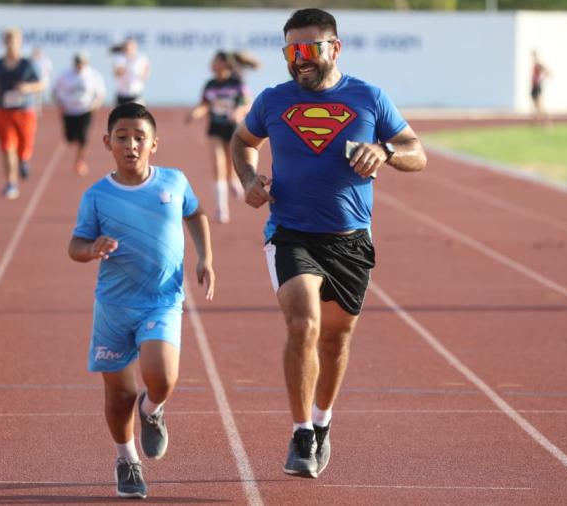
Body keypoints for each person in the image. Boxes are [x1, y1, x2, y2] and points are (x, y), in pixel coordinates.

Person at [230, 8, 426, 479]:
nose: (299, 60)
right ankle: (300, 434)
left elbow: (418, 153)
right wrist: (248, 179)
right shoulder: (273, 100)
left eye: (308, 49)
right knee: (305, 325)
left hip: (351, 240)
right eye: (290, 51)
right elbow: (242, 142)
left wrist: (386, 151)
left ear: (333, 48)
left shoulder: (369, 98)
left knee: (336, 340)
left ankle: (321, 423)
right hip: (290, 232)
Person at [68, 102, 215, 499]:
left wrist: (205, 257)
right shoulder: (96, 196)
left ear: (154, 143)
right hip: (114, 307)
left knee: (162, 378)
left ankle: (152, 411)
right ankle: (126, 459)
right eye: (122, 137)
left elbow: (197, 213)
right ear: (107, 142)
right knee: (119, 394)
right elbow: (75, 246)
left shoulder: (174, 182)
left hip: (161, 301)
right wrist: (92, 249)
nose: (131, 145)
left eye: (139, 138)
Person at [185, 50, 260, 224]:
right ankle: (221, 208)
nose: (212, 64)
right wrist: (194, 114)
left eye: (216, 61)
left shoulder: (237, 83)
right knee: (217, 165)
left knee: (230, 163)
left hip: (233, 129)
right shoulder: (210, 84)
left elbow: (247, 104)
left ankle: (233, 178)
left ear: (225, 64)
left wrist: (238, 111)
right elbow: (204, 104)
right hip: (215, 128)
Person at [0, 28, 43, 200]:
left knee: (24, 146)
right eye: (8, 41)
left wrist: (28, 88)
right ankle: (11, 183)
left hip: (24, 112)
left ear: (20, 42)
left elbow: (40, 84)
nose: (11, 44)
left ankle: (24, 160)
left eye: (14, 41)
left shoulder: (27, 64)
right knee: (7, 146)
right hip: (3, 111)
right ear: (4, 43)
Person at [52, 50, 106, 176]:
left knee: (84, 137)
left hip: (85, 110)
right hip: (69, 111)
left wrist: (95, 104)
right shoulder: (64, 75)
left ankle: (80, 162)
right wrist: (59, 104)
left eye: (82, 63)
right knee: (69, 138)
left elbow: (100, 93)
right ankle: (75, 141)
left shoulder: (93, 75)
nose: (79, 65)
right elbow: (54, 90)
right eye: (77, 63)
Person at [113, 38, 150, 105]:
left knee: (137, 114)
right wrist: (128, 62)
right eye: (126, 47)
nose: (127, 49)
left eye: (130, 47)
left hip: (135, 94)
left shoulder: (141, 58)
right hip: (122, 94)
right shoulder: (120, 58)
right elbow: (117, 73)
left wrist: (138, 72)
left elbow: (145, 75)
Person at [530, 50, 551, 130]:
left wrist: (541, 79)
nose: (532, 58)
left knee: (540, 106)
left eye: (533, 56)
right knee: (536, 107)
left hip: (537, 87)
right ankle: (537, 123)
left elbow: (548, 72)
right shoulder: (535, 64)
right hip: (534, 87)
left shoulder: (538, 64)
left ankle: (547, 123)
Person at [30, 46, 53, 113]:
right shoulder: (31, 60)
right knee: (35, 96)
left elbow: (49, 70)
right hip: (34, 81)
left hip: (42, 80)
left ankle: (38, 109)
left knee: (40, 96)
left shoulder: (45, 60)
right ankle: (34, 109)